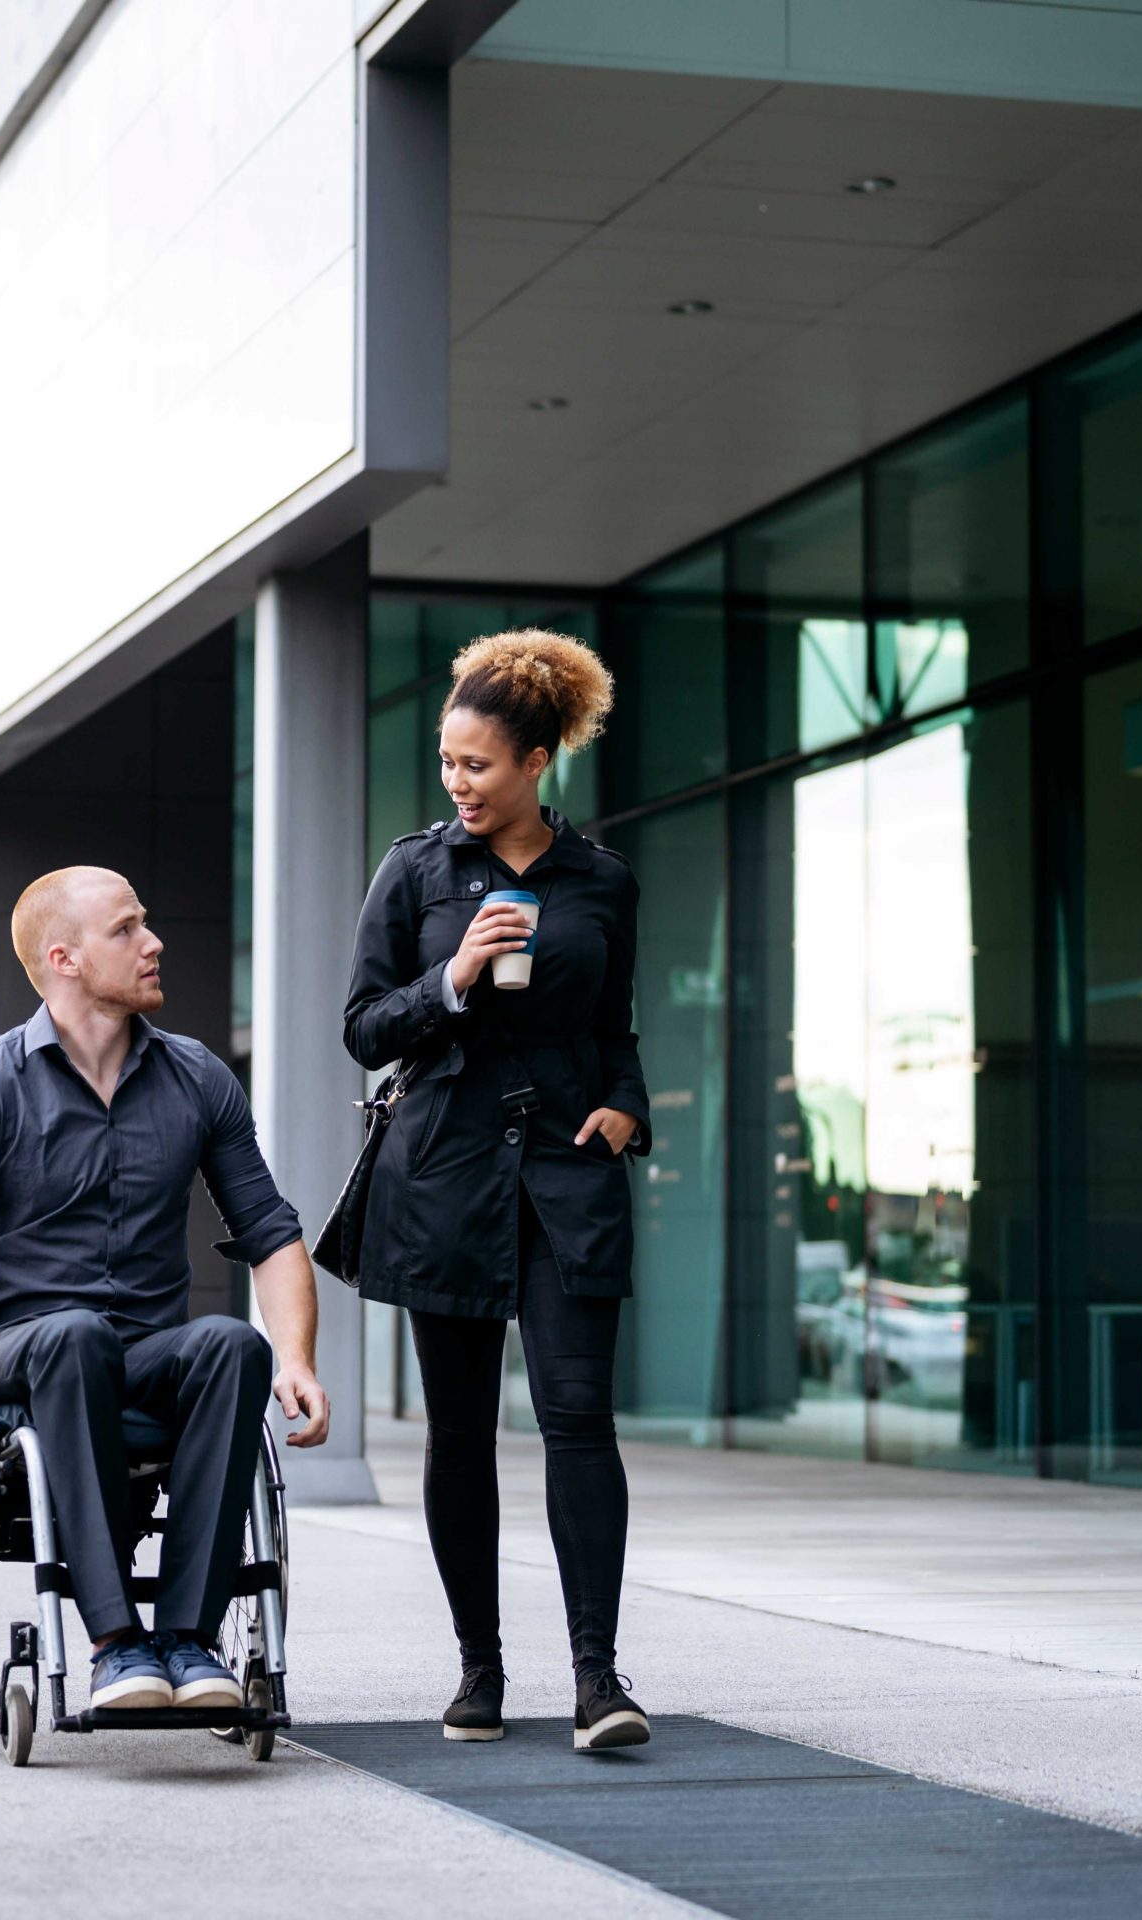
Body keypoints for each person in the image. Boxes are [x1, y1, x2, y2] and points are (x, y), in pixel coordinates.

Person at [0, 866, 332, 1714]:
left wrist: (295, 1356)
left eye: (145, 923)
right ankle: (116, 1645)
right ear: (65, 959)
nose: (153, 943)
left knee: (233, 1344)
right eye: (126, 929)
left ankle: (189, 1644)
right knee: (74, 1334)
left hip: (146, 1349)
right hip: (20, 1349)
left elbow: (271, 1233)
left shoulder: (198, 1080)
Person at [344, 629, 651, 1752]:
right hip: (445, 1180)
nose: (457, 783)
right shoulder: (416, 871)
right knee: (458, 1433)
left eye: (476, 764)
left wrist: (628, 1103)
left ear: (535, 762)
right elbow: (363, 1027)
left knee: (579, 1421)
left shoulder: (602, 880)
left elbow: (614, 1025)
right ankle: (479, 1671)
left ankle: (598, 1681)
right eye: (446, 762)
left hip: (570, 1176)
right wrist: (454, 976)